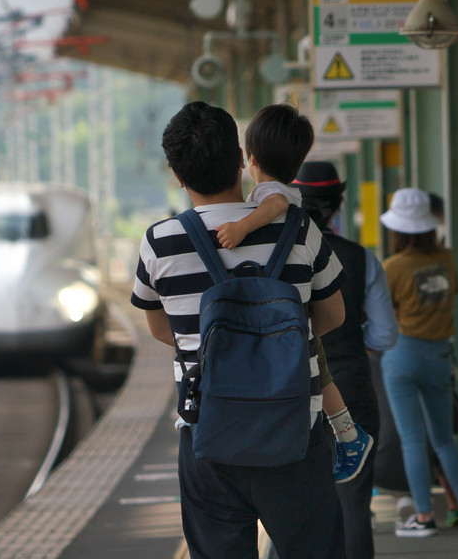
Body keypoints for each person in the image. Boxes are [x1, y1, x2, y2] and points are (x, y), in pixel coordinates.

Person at [131, 101, 347, 559]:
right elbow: (332, 318)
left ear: (178, 175)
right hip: (295, 431)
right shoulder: (299, 228)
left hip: (208, 435)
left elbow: (161, 329)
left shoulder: (160, 241)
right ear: (240, 160)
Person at [214, 105, 373, 484]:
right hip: (293, 313)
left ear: (250, 159)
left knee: (319, 370)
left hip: (283, 312)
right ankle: (348, 433)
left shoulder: (271, 194)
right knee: (320, 370)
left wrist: (241, 227)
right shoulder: (281, 190)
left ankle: (349, 435)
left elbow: (276, 206)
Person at [294, 161, 400, 559]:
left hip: (293, 392)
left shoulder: (282, 254)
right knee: (354, 504)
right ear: (339, 203)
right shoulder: (361, 258)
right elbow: (386, 334)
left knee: (292, 507)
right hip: (352, 388)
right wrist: (356, 344)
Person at [379, 187, 458, 536]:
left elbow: (385, 315)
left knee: (412, 439)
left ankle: (424, 518)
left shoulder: (393, 267)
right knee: (444, 439)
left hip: (403, 356)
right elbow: (450, 295)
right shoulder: (447, 259)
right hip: (440, 355)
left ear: (397, 229)